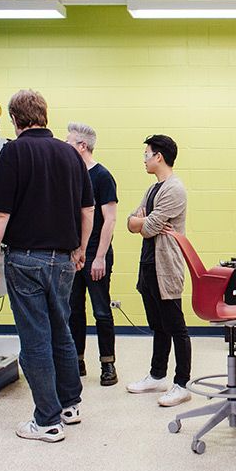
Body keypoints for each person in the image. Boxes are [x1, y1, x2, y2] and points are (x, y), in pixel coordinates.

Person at [0, 90, 94, 443]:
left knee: (35, 339)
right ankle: (70, 405)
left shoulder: (13, 152)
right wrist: (81, 249)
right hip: (63, 260)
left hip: (26, 259)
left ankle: (46, 420)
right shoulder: (70, 153)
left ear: (15, 120)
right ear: (45, 114)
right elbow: (87, 210)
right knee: (60, 329)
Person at [126, 134, 192, 407]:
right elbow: (131, 223)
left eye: (146, 154)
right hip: (148, 263)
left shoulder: (174, 189)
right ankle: (157, 375)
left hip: (166, 266)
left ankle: (182, 383)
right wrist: (141, 221)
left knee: (175, 325)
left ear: (159, 157)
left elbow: (148, 228)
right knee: (158, 325)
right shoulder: (153, 188)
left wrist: (142, 222)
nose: (144, 159)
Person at [66, 123, 119, 386]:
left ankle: (108, 364)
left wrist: (99, 257)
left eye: (69, 142)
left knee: (101, 311)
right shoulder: (69, 175)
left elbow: (109, 220)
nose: (65, 147)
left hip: (96, 254)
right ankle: (77, 360)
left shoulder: (102, 176)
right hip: (74, 255)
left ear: (82, 146)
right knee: (74, 309)